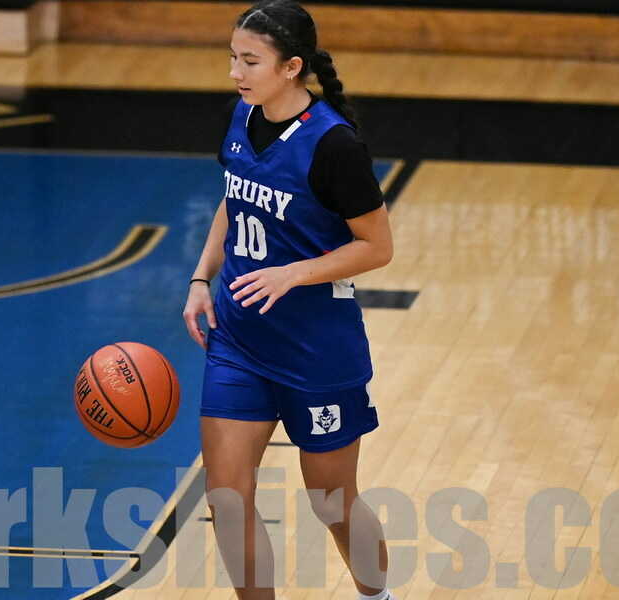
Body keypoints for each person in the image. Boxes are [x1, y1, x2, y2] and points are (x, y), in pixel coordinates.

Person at [182, 2, 395, 599]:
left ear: (292, 67)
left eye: (250, 61)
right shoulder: (241, 115)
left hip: (316, 351)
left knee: (332, 501)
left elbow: (377, 247)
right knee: (226, 497)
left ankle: (378, 596)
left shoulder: (334, 146)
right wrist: (201, 278)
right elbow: (235, 198)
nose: (235, 72)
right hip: (240, 340)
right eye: (233, 57)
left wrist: (292, 274)